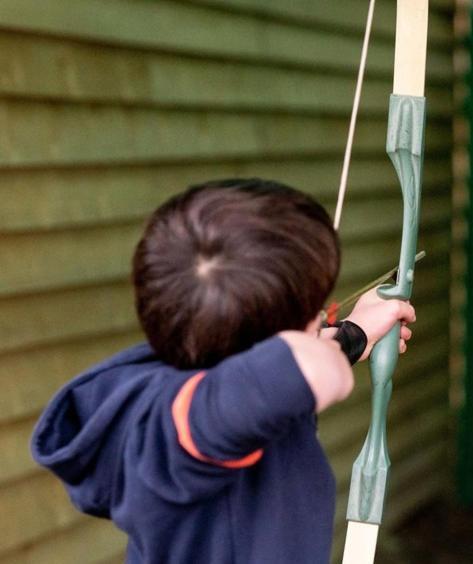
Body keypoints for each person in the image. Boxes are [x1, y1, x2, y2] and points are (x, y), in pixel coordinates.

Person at [30, 178, 416, 563]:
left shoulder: (214, 376)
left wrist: (352, 335)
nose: (321, 316)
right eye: (313, 311)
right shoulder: (172, 432)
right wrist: (327, 345)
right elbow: (309, 371)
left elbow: (279, 370)